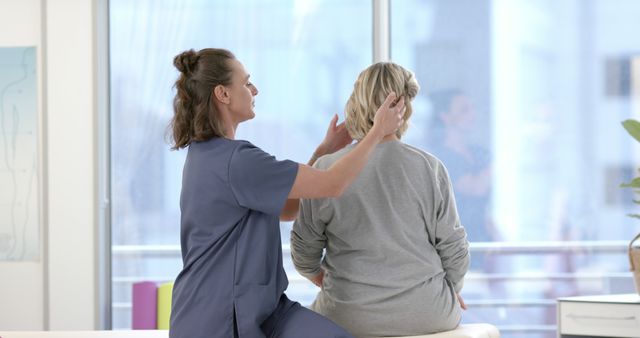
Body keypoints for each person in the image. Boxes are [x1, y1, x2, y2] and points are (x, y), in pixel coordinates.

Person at [167, 48, 405, 338]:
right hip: (217, 317)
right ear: (223, 94)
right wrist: (376, 133)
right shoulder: (237, 161)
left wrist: (323, 151)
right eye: (246, 82)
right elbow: (333, 184)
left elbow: (288, 209)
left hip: (266, 310)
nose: (255, 89)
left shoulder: (211, 156)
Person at [290, 62, 470, 337]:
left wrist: (321, 278)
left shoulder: (326, 169)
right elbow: (455, 249)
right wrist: (448, 292)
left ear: (357, 103)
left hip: (346, 317)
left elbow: (303, 253)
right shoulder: (429, 168)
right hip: (428, 313)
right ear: (405, 108)